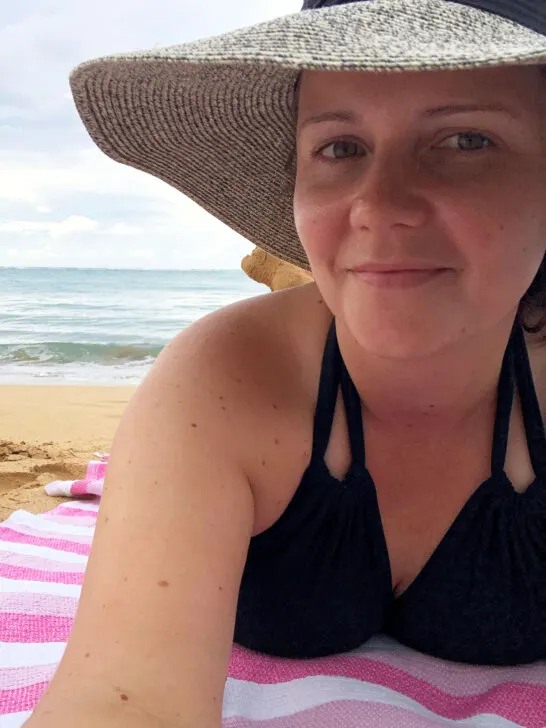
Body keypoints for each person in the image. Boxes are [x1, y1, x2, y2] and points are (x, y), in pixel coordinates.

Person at [24, 0, 546, 726]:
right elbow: (126, 702)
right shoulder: (226, 378)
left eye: (465, 140)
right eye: (339, 147)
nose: (378, 204)